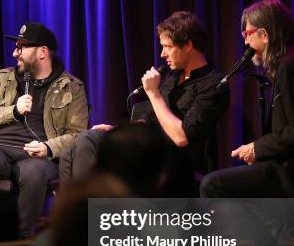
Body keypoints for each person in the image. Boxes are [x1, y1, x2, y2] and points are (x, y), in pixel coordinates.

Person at [60, 11, 229, 185]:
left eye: (168, 47)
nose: (162, 54)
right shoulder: (172, 75)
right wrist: (120, 132)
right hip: (147, 146)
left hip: (175, 158)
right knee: (71, 152)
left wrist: (153, 94)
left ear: (187, 45)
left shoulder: (213, 83)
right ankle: (77, 208)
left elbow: (182, 137)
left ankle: (85, 208)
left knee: (89, 140)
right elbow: (151, 121)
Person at [201, 0, 294, 197]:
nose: (245, 41)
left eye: (247, 34)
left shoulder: (292, 66)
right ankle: (275, 228)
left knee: (211, 184)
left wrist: (257, 148)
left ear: (264, 35)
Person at [0, 22, 88, 235]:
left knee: (33, 171)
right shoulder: (3, 78)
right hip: (0, 147)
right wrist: (13, 111)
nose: (15, 53)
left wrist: (48, 147)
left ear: (42, 52)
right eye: (16, 47)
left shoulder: (71, 86)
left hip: (39, 154)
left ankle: (20, 238)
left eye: (21, 47)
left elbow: (78, 134)